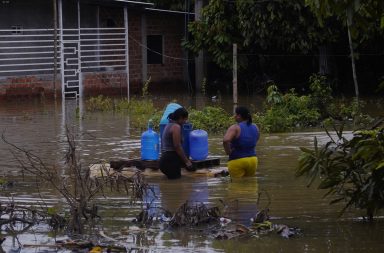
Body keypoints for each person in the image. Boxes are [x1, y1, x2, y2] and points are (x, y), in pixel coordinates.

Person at [223, 106, 260, 178]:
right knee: (250, 184)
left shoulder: (235, 127)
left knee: (237, 186)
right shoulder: (255, 126)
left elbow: (225, 140)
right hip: (253, 160)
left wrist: (228, 152)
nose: (234, 116)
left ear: (239, 116)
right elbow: (256, 138)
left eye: (235, 114)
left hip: (237, 160)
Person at [159, 107, 194, 179]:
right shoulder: (176, 127)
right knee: (176, 185)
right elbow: (177, 146)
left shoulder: (169, 124)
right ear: (180, 117)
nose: (185, 121)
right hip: (170, 161)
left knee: (170, 186)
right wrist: (187, 162)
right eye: (185, 119)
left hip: (166, 159)